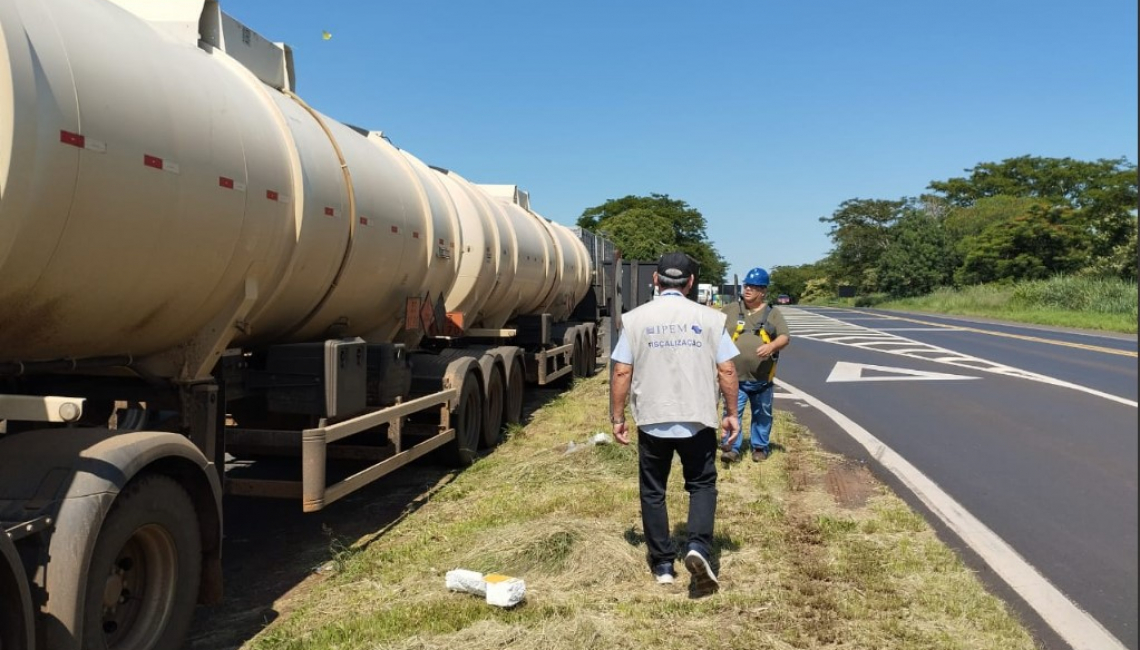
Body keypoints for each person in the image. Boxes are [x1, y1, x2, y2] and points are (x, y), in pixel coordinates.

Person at [609, 251, 740, 595]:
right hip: (697, 418)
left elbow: (622, 370)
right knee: (701, 484)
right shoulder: (710, 319)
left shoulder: (636, 319)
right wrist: (731, 413)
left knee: (654, 490)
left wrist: (618, 416)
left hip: (653, 418)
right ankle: (697, 546)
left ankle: (663, 563)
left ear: (655, 280)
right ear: (690, 282)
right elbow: (726, 369)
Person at [719, 267, 791, 463]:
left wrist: (772, 346)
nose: (748, 289)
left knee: (762, 414)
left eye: (753, 287)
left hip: (762, 380)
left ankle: (759, 447)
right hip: (733, 378)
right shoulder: (732, 309)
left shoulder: (772, 313)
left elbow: (785, 337)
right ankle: (731, 447)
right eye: (746, 285)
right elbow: (711, 320)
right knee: (732, 412)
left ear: (763, 291)